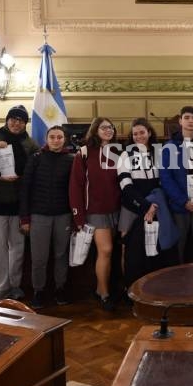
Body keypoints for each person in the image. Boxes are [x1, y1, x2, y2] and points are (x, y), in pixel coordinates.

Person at [0, 105, 39, 304]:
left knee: (17, 246)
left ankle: (14, 285)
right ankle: (1, 286)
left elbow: (34, 173)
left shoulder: (31, 144)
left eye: (21, 120)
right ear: (7, 120)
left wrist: (20, 178)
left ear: (25, 124)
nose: (16, 123)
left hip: (19, 204)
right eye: (13, 119)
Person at [118, 118, 178, 289]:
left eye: (142, 132)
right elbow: (125, 185)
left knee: (156, 250)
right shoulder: (125, 155)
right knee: (130, 252)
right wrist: (146, 206)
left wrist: (153, 205)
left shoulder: (159, 153)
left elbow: (164, 182)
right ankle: (130, 289)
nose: (138, 136)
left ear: (149, 133)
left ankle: (156, 289)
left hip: (157, 206)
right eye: (135, 134)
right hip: (132, 207)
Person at [69, 117, 121, 311]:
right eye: (103, 127)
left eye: (110, 127)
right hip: (95, 210)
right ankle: (105, 294)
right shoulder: (83, 153)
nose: (108, 130)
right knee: (105, 250)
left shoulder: (118, 152)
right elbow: (75, 186)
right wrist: (78, 216)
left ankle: (102, 289)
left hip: (117, 209)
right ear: (95, 130)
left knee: (113, 253)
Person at [19, 125, 73, 309]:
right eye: (52, 137)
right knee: (39, 257)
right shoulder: (36, 159)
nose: (56, 140)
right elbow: (25, 189)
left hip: (63, 216)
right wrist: (25, 218)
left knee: (61, 254)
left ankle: (60, 288)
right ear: (46, 139)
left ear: (64, 139)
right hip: (39, 216)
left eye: (59, 137)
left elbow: (75, 190)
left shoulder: (71, 160)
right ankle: (38, 291)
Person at [160, 106, 193, 263]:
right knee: (178, 249)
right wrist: (183, 201)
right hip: (180, 206)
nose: (190, 121)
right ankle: (178, 285)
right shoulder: (169, 147)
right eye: (187, 117)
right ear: (180, 121)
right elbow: (166, 178)